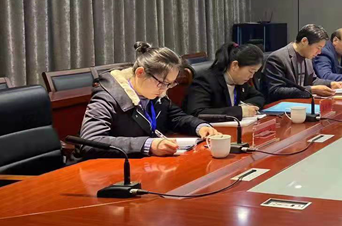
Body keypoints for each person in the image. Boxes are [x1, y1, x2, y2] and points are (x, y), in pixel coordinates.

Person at [75, 42, 218, 160]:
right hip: (99, 172)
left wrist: (200, 127)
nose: (164, 89)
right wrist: (148, 145)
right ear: (140, 73)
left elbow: (177, 117)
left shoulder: (156, 95)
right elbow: (91, 142)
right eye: (161, 82)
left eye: (170, 84)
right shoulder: (107, 98)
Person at [260, 24, 342, 104]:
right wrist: (311, 90)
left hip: (300, 103)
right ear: (304, 41)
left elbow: (313, 80)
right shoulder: (277, 58)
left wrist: (331, 84)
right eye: (318, 48)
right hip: (279, 108)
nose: (319, 52)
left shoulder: (307, 56)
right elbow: (276, 91)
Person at [183, 42, 265, 119]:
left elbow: (258, 97)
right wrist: (239, 111)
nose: (251, 76)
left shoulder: (239, 81)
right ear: (235, 65)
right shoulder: (205, 80)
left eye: (254, 72)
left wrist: (248, 106)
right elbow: (197, 112)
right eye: (250, 71)